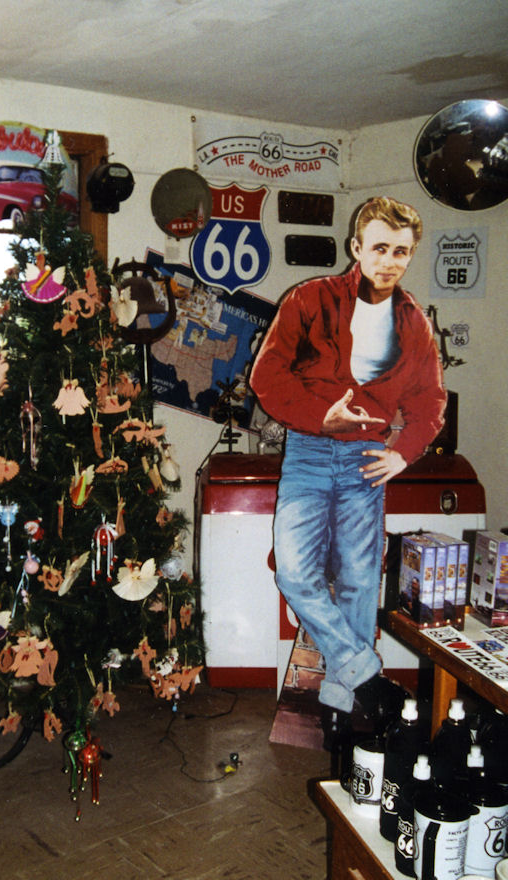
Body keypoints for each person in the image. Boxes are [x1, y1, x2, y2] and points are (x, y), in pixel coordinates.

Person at [249, 196, 446, 736]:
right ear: (356, 247)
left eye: (401, 251)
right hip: (309, 451)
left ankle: (344, 705)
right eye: (379, 248)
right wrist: (321, 416)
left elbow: (429, 401)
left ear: (411, 255)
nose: (389, 261)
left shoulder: (414, 322)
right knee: (293, 572)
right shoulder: (309, 299)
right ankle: (366, 677)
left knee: (360, 581)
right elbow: (266, 377)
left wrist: (403, 453)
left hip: (367, 459)